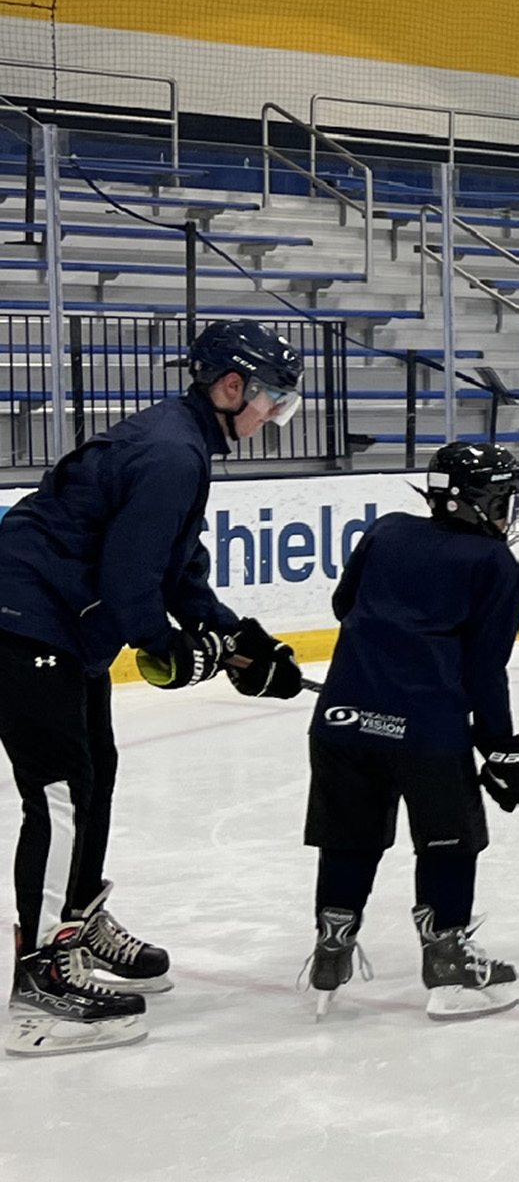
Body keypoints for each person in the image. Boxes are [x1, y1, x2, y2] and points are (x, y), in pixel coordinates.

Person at [0, 320, 307, 1058]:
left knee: (95, 772)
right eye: (272, 399)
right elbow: (131, 585)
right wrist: (177, 650)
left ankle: (77, 917)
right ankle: (40, 977)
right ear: (231, 387)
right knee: (62, 792)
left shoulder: (185, 442)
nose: (274, 415)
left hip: (62, 627)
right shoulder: (173, 451)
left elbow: (177, 570)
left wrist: (240, 641)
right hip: (23, 620)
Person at [302, 440, 519, 1022]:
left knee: (349, 837)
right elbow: (485, 670)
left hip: (343, 719)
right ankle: (448, 957)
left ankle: (332, 950)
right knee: (449, 841)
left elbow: (343, 605)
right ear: (471, 501)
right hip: (426, 733)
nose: (509, 511)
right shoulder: (496, 565)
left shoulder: (387, 531)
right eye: (503, 499)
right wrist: (503, 750)